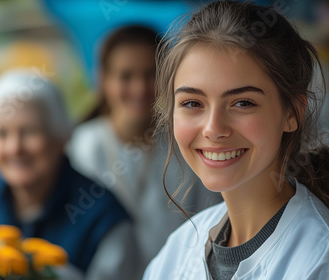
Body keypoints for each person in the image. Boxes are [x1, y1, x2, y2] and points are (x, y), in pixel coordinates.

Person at [144, 1, 329, 279]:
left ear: (292, 112)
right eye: (192, 103)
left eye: (243, 103)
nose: (213, 128)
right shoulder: (176, 253)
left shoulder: (323, 264)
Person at [67, 25, 222, 274]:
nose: (140, 88)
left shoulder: (187, 141)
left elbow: (212, 219)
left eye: (150, 74)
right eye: (126, 76)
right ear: (103, 79)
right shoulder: (82, 146)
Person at [0, 68, 137, 280]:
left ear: (60, 136)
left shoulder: (103, 219)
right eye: (1, 134)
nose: (14, 148)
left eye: (29, 132)